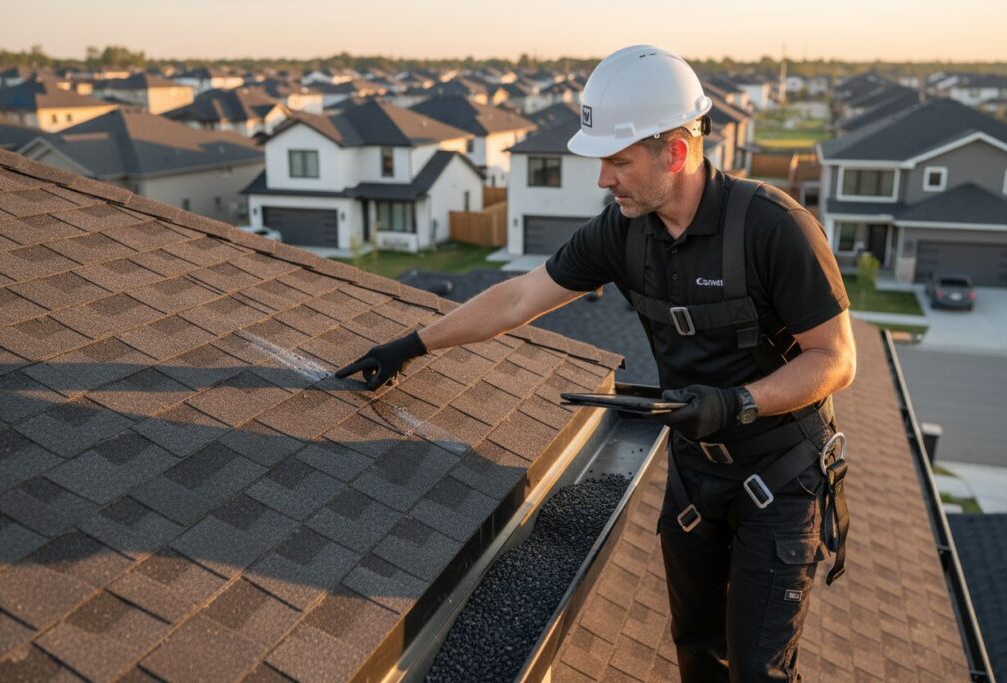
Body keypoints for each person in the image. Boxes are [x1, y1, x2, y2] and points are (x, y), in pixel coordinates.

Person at [337, 45, 856, 682]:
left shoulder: (773, 228)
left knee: (757, 669)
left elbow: (835, 360)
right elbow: (519, 297)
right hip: (698, 473)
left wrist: (737, 402)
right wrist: (411, 345)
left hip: (780, 478)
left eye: (617, 160)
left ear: (676, 151)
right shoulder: (623, 232)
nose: (602, 180)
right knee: (696, 649)